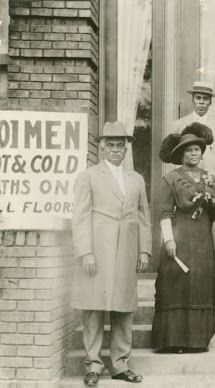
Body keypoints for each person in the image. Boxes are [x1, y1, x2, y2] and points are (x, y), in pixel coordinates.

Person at [70, 121, 151, 386]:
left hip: (126, 250)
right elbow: (80, 217)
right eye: (111, 145)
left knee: (123, 308)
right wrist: (86, 252)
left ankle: (119, 365)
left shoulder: (136, 179)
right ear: (102, 147)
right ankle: (93, 365)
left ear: (126, 149)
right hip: (98, 251)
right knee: (93, 309)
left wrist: (144, 250)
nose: (116, 150)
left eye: (120, 145)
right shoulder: (89, 176)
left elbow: (143, 217)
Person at [151, 123, 215, 353]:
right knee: (176, 286)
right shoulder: (171, 179)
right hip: (179, 238)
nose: (193, 154)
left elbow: (214, 212)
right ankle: (174, 340)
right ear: (181, 154)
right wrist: (168, 239)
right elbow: (164, 211)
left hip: (202, 241)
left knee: (200, 285)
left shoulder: (210, 178)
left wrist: (211, 200)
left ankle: (197, 341)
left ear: (202, 152)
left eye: (196, 150)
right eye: (188, 150)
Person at [167, 81, 215, 288]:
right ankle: (186, 265)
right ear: (192, 99)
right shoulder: (178, 125)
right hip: (186, 182)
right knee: (186, 224)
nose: (202, 102)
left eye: (206, 99)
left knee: (214, 226)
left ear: (211, 102)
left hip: (210, 181)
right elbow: (172, 159)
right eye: (198, 98)